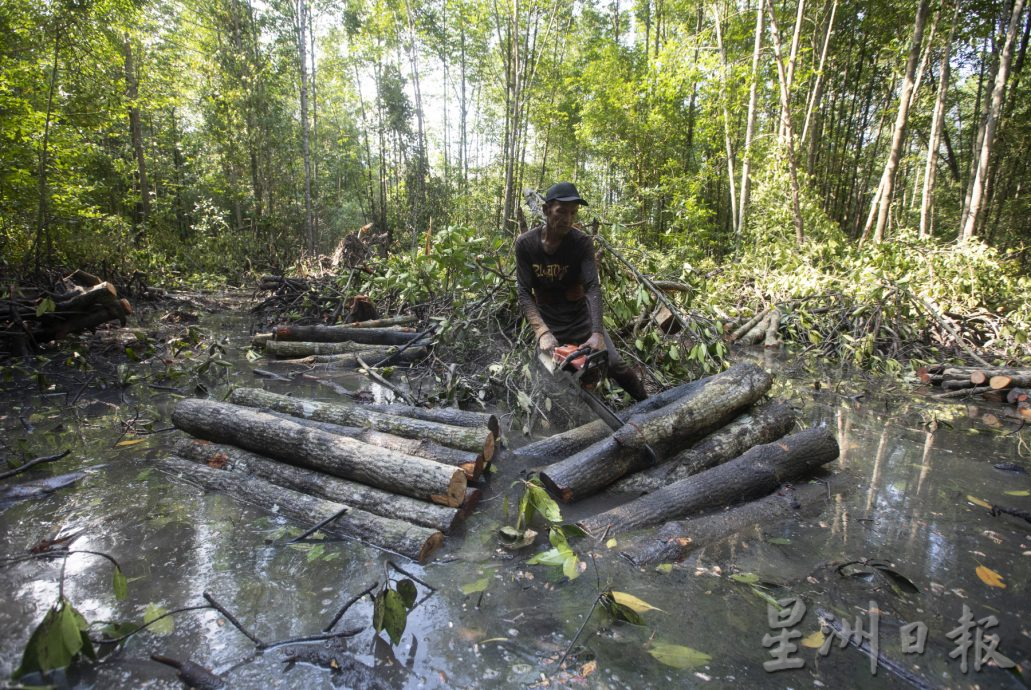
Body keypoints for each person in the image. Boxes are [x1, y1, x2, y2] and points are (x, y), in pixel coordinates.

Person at [515, 181, 648, 401]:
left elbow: (592, 287)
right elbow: (523, 291)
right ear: (547, 210)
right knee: (555, 377)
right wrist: (542, 332)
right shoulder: (526, 244)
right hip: (549, 321)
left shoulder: (581, 243)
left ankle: (649, 404)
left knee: (614, 364)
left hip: (580, 318)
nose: (567, 219)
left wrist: (597, 333)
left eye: (573, 213)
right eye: (561, 212)